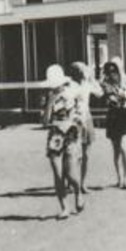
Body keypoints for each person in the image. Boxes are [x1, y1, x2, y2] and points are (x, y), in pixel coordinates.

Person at [41, 63, 83, 216]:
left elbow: (80, 115)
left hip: (71, 134)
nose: (55, 87)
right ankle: (64, 208)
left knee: (71, 174)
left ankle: (78, 192)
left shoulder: (72, 93)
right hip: (55, 136)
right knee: (58, 174)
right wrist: (50, 104)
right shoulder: (46, 97)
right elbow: (44, 122)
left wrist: (76, 126)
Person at [65, 60, 105, 194]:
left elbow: (100, 93)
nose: (84, 74)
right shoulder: (70, 85)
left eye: (84, 71)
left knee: (86, 155)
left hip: (86, 119)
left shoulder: (87, 85)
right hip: (73, 121)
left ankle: (82, 183)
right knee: (73, 154)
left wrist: (92, 80)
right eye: (82, 71)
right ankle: (71, 181)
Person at [100, 57, 126, 189]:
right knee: (116, 150)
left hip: (125, 114)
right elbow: (105, 97)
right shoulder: (106, 82)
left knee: (124, 147)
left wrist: (118, 92)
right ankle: (119, 178)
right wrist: (103, 81)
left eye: (115, 69)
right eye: (109, 70)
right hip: (113, 116)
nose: (112, 72)